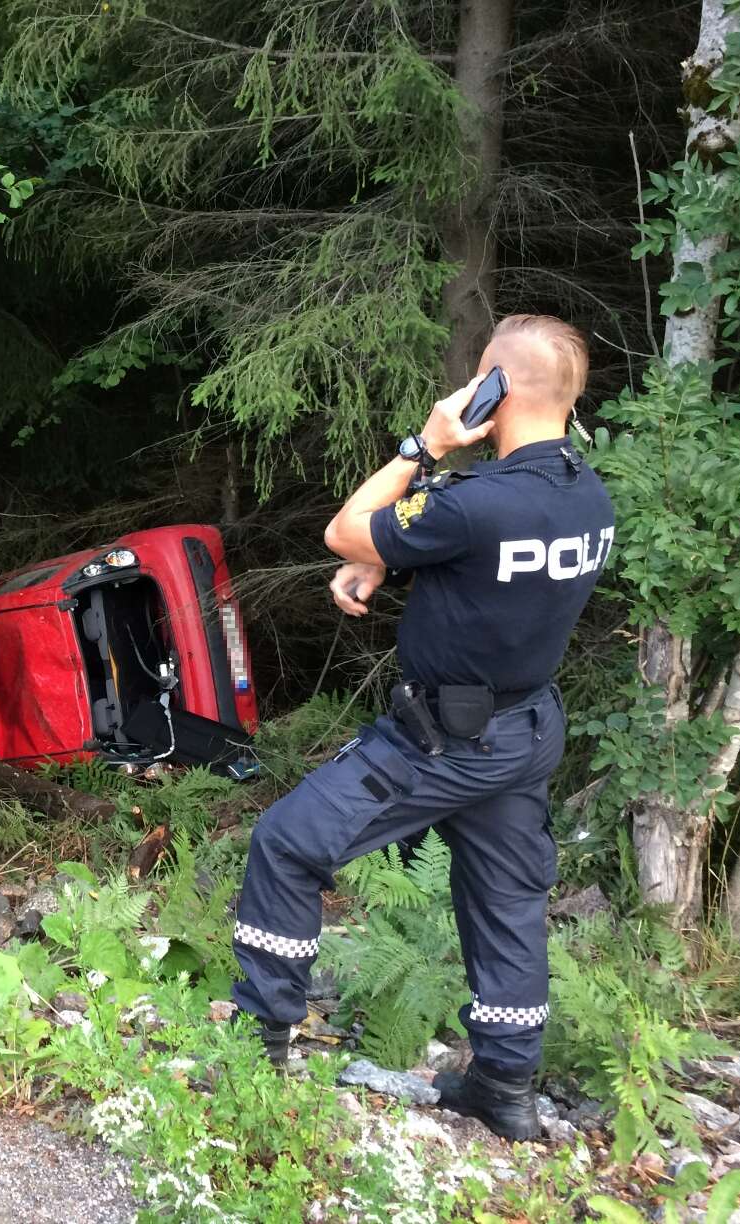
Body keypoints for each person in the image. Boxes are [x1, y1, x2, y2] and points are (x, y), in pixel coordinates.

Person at [230, 314, 615, 1141]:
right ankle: (505, 1089)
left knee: (287, 844)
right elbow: (482, 573)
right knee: (507, 902)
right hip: (525, 733)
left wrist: (426, 444)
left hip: (441, 741)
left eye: (481, 378)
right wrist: (384, 558)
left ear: (494, 389)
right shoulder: (588, 499)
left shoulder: (479, 504)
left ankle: (254, 1052)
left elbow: (343, 528)